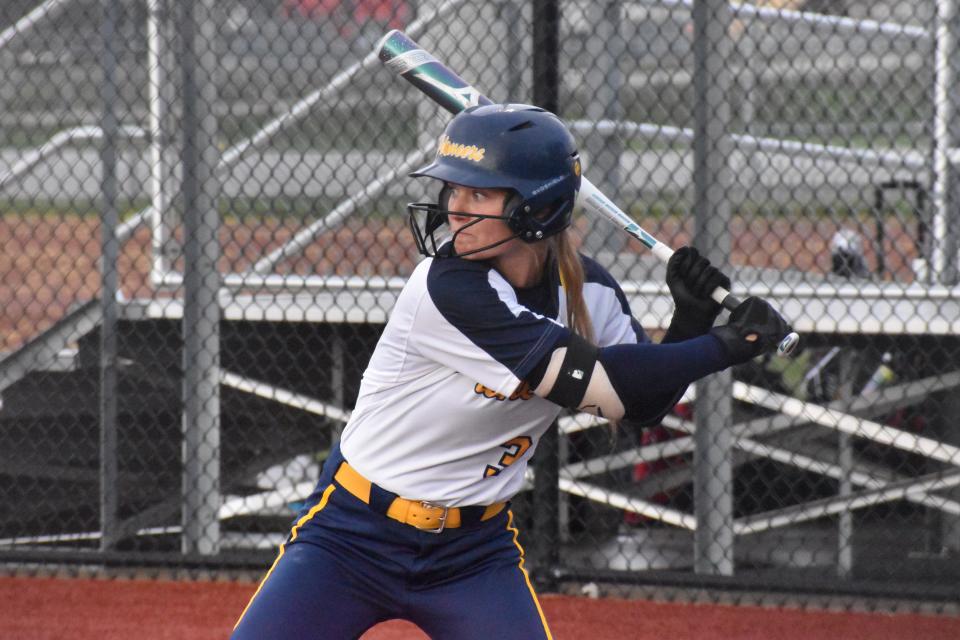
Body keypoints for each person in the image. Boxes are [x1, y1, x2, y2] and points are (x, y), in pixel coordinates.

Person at [231, 103, 792, 639]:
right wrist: (726, 345)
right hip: (352, 535)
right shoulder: (447, 287)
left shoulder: (589, 292)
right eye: (453, 189)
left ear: (539, 208)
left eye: (479, 193)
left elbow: (644, 407)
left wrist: (690, 321)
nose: (454, 208)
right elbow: (601, 382)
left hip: (471, 553)